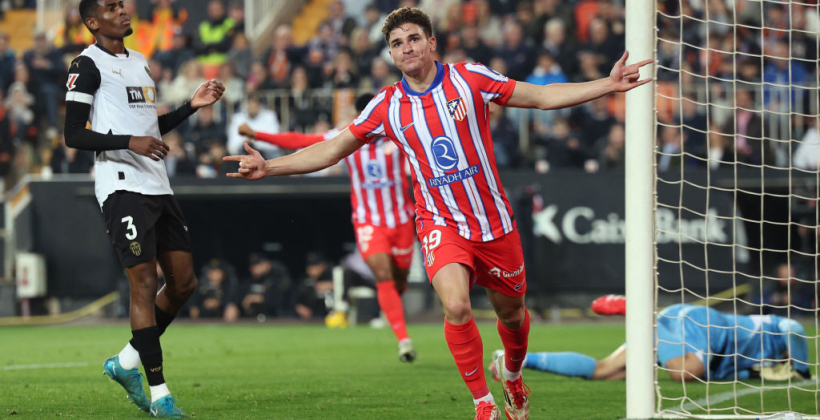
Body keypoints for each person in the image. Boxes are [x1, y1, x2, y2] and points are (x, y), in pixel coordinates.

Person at [223, 7, 651, 420]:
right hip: (441, 223)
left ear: (431, 43)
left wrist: (606, 84)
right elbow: (332, 149)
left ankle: (513, 375)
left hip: (494, 223)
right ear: (391, 55)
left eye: (413, 39)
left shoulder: (470, 78)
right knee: (457, 305)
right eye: (397, 43)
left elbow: (539, 96)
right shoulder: (386, 106)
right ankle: (483, 402)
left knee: (513, 316)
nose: (406, 48)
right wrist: (269, 166)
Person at [64, 0, 224, 417]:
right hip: (121, 186)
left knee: (184, 284)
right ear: (93, 22)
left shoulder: (139, 61)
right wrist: (128, 142)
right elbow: (73, 134)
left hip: (157, 185)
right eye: (112, 7)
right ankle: (160, 395)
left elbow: (148, 130)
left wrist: (190, 107)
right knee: (144, 282)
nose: (123, 10)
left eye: (123, 4)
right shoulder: (86, 65)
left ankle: (125, 362)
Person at [238, 93, 419, 362]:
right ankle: (404, 340)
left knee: (399, 279)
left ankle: (392, 304)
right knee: (382, 273)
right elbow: (302, 141)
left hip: (401, 220)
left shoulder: (397, 133)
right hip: (368, 221)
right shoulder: (348, 135)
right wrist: (258, 135)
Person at [494, 295, 811, 383]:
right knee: (685, 372)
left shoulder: (759, 365)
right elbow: (794, 328)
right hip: (702, 325)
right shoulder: (771, 330)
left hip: (677, 325)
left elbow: (740, 371)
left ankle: (515, 363)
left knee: (607, 371)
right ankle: (643, 316)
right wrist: (803, 370)